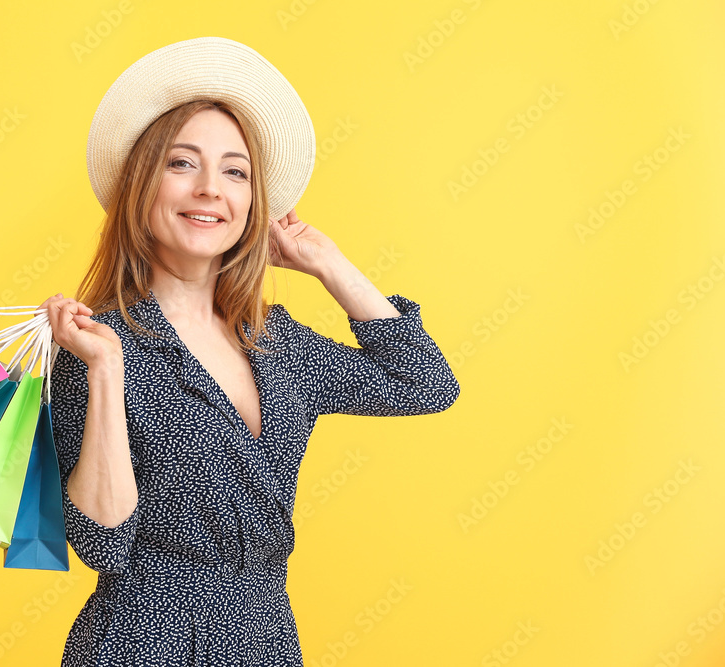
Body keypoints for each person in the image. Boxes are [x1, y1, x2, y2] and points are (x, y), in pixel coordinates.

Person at [40, 36, 460, 666]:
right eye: (182, 164)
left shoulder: (278, 343)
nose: (211, 188)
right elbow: (104, 544)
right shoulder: (94, 344)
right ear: (140, 185)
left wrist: (326, 261)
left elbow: (425, 385)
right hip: (139, 643)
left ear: (252, 205)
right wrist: (105, 373)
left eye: (235, 172)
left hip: (265, 639)